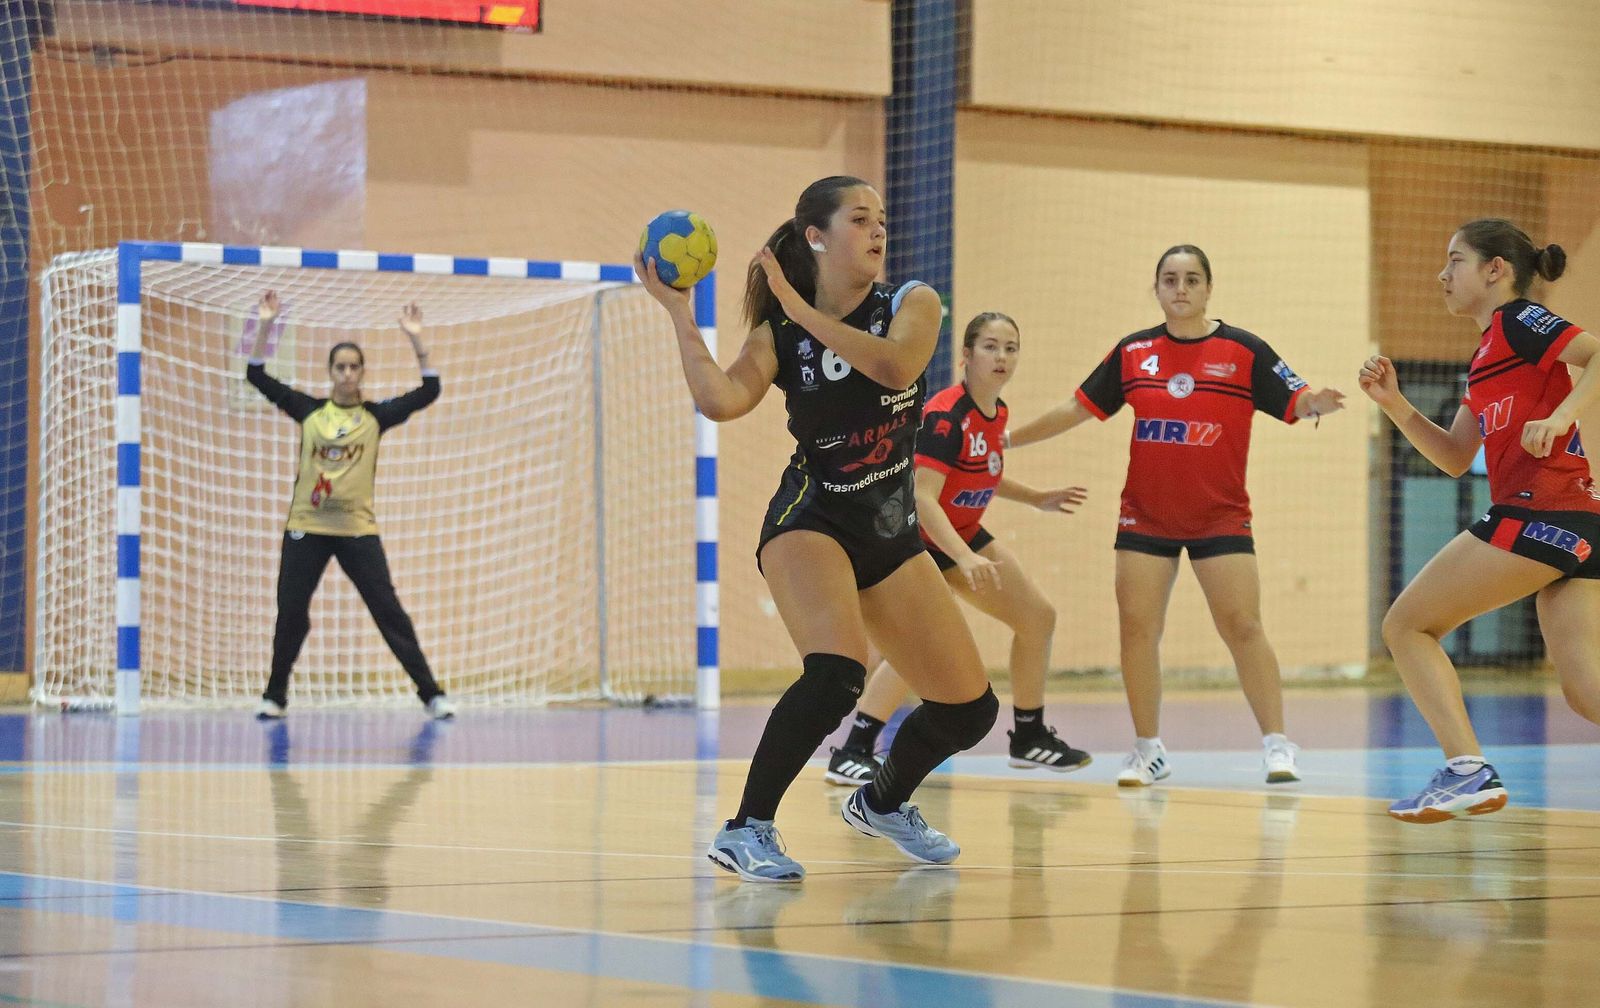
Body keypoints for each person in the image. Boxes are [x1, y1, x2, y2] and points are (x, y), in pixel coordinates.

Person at [635, 175, 998, 882]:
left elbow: (894, 366)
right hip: (812, 515)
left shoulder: (912, 304)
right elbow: (722, 398)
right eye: (859, 219)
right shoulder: (779, 337)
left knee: (968, 710)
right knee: (836, 673)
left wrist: (798, 307)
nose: (878, 231)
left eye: (881, 220)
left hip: (888, 529)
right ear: (816, 237)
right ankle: (746, 829)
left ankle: (883, 802)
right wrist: (680, 314)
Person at [1008, 245, 1345, 787]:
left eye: (1192, 279)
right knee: (1138, 630)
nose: (1181, 288)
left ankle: (1279, 746)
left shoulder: (1244, 350)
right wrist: (1008, 440)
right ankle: (1148, 750)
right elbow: (1077, 407)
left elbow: (1297, 397)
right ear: (1158, 289)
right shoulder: (1133, 352)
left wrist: (1314, 405)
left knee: (1243, 626)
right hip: (1145, 518)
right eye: (1170, 279)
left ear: (1209, 288)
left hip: (1220, 517)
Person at [1360, 219, 1600, 824]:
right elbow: (1455, 456)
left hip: (1541, 509)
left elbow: (1597, 353)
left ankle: (1466, 768)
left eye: (1455, 260)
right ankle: (1466, 771)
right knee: (1584, 688)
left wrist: (1566, 415)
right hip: (1578, 523)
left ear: (1496, 270)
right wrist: (1396, 405)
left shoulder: (1520, 319)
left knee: (1406, 627)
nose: (1443, 274)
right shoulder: (1486, 354)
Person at [825, 311, 1091, 786]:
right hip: (915, 541)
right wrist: (965, 559)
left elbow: (979, 471)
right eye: (990, 346)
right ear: (966, 356)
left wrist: (1036, 499)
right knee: (926, 650)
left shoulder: (996, 413)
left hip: (964, 533)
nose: (1002, 356)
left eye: (1011, 347)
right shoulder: (948, 416)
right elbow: (923, 496)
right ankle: (854, 749)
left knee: (1037, 618)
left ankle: (1028, 737)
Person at [246, 290, 455, 721]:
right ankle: (275, 695)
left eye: (353, 367)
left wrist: (416, 338)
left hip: (357, 531)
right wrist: (266, 323)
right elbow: (256, 375)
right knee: (291, 614)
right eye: (339, 367)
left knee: (388, 612)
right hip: (307, 527)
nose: (346, 373)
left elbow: (430, 389)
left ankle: (431, 694)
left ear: (361, 373)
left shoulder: (376, 417)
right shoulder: (309, 411)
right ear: (330, 372)